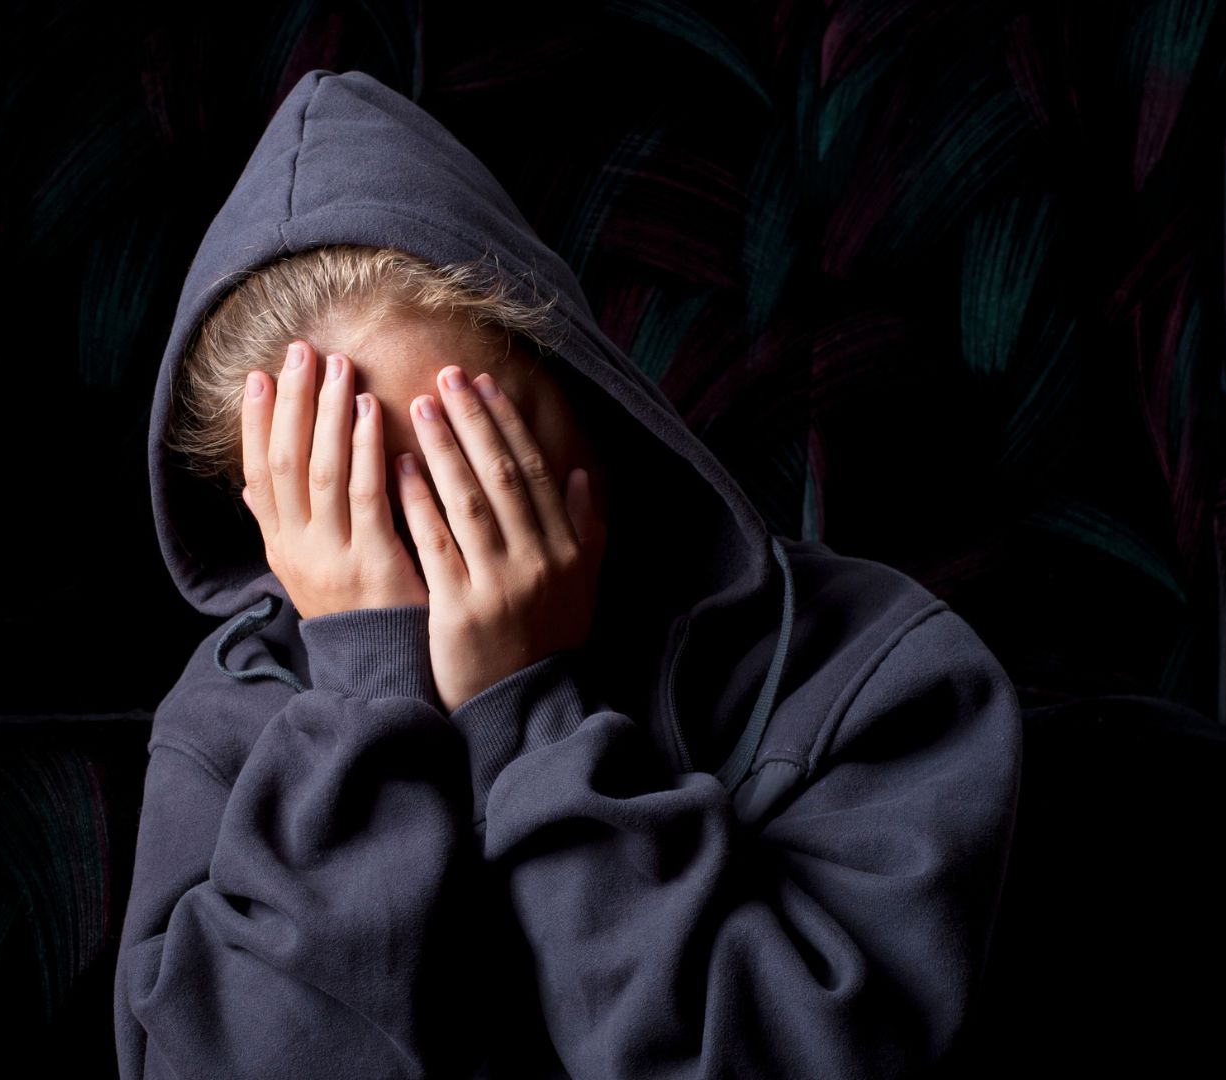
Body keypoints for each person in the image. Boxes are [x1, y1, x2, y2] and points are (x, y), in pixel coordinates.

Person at [116, 69, 1023, 1079]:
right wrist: (365, 704)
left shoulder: (878, 676)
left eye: (477, 458)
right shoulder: (227, 714)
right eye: (347, 500)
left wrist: (530, 718)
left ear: (589, 391)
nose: (439, 543)